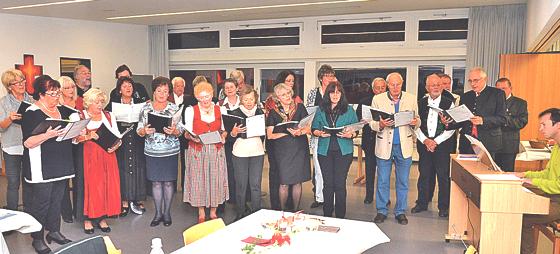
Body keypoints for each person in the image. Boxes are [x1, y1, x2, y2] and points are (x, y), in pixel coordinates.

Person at [22, 75, 75, 253]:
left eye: (57, 93)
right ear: (40, 94)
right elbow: (28, 143)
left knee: (57, 200)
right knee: (42, 203)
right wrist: (47, 135)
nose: (56, 97)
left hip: (61, 163)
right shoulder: (32, 113)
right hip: (41, 166)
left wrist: (76, 131)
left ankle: (54, 231)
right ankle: (37, 238)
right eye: (52, 94)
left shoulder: (64, 110)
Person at [370, 72, 420, 225]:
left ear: (402, 83)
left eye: (398, 84)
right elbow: (370, 122)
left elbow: (418, 121)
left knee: (403, 181)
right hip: (384, 144)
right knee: (383, 180)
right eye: (392, 84)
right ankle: (381, 210)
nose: (395, 87)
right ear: (387, 85)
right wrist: (381, 124)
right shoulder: (377, 99)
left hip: (404, 146)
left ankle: (400, 211)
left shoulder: (411, 98)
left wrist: (414, 122)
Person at [137, 77, 184, 227]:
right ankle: (158, 213)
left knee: (169, 183)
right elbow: (139, 129)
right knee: (156, 183)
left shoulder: (174, 108)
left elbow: (181, 130)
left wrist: (175, 130)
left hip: (170, 151)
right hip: (152, 151)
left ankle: (167, 212)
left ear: (169, 92)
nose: (162, 94)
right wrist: (144, 130)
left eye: (165, 91)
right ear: (154, 91)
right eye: (159, 91)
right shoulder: (145, 108)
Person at [74, 88, 122, 234]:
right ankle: (87, 219)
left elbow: (118, 136)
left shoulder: (109, 116)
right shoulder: (78, 116)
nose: (100, 104)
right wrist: (89, 136)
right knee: (90, 187)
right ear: (88, 103)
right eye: (96, 102)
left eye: (102, 101)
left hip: (107, 154)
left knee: (105, 186)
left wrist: (116, 146)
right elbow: (74, 139)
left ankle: (102, 217)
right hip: (88, 156)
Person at [182, 81, 229, 223]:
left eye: (207, 96)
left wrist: (223, 136)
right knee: (198, 180)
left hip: (215, 150)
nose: (205, 100)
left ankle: (214, 211)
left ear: (212, 95)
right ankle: (201, 212)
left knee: (216, 179)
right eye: (201, 97)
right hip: (198, 150)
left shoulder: (220, 109)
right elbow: (186, 133)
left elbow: (224, 130)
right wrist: (192, 137)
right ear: (197, 97)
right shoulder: (191, 110)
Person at [311, 82, 358, 218]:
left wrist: (351, 134)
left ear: (342, 94)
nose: (335, 95)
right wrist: (319, 133)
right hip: (324, 151)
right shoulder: (321, 109)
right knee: (328, 183)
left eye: (338, 92)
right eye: (332, 92)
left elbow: (356, 129)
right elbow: (314, 128)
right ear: (328, 94)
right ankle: (327, 213)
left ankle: (340, 215)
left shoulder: (349, 110)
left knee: (339, 183)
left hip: (344, 151)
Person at [517, 108, 560, 254]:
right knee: (517, 190)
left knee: (524, 218)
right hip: (551, 194)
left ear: (558, 125)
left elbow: (558, 186)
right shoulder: (556, 146)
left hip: (558, 200)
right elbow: (548, 173)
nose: (540, 129)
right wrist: (525, 175)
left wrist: (533, 182)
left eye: (544, 125)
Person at [411, 74, 455, 217]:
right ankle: (421, 203)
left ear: (442, 86)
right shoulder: (420, 103)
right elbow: (415, 125)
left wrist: (435, 141)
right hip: (424, 144)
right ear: (427, 88)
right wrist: (425, 140)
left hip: (442, 145)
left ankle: (443, 207)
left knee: (443, 176)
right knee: (424, 174)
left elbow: (452, 127)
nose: (435, 87)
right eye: (432, 85)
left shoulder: (450, 103)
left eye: (438, 85)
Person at [107, 76, 148, 216]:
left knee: (138, 166)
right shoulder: (113, 104)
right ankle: (124, 201)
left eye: (130, 85)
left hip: (137, 137)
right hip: (122, 138)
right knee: (123, 167)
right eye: (124, 86)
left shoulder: (140, 103)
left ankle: (137, 198)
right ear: (119, 90)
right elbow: (107, 120)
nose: (128, 88)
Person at [444, 67, 506, 159]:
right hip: (466, 142)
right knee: (466, 171)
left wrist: (483, 120)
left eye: (476, 80)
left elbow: (503, 119)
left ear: (485, 79)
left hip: (488, 142)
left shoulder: (497, 94)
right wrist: (447, 122)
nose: (472, 84)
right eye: (470, 81)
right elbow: (461, 121)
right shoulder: (466, 96)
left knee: (484, 172)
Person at [266, 83, 311, 211]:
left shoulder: (300, 107)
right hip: (283, 151)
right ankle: (282, 211)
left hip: (299, 148)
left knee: (297, 181)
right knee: (284, 182)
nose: (287, 96)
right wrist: (285, 132)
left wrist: (300, 132)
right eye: (283, 95)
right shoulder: (273, 113)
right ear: (277, 98)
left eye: (288, 93)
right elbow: (270, 135)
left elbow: (309, 127)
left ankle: (296, 210)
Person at [229, 88, 265, 220]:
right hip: (240, 152)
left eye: (251, 99)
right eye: (246, 99)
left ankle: (256, 212)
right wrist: (234, 132)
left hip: (257, 151)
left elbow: (263, 135)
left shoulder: (260, 112)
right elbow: (230, 137)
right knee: (241, 184)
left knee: (255, 184)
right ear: (241, 100)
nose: (249, 102)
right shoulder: (234, 113)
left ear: (255, 99)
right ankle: (240, 212)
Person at [0, 69, 34, 212]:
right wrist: (10, 119)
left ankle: (28, 213)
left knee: (28, 182)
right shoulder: (3, 102)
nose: (21, 84)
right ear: (9, 86)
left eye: (23, 81)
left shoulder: (32, 100)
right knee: (13, 183)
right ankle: (12, 215)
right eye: (17, 82)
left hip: (29, 145)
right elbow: (1, 127)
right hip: (11, 146)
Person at [306, 64, 337, 208]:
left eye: (332, 76)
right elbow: (309, 112)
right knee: (318, 167)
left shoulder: (336, 91)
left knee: (333, 168)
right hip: (318, 134)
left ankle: (332, 197)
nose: (330, 78)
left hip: (334, 134)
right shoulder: (314, 92)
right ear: (321, 78)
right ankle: (319, 197)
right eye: (327, 76)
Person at [356, 77, 386, 204]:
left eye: (382, 87)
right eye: (377, 88)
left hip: (385, 141)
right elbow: (357, 120)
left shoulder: (390, 102)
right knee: (370, 169)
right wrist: (362, 122)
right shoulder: (364, 102)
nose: (380, 90)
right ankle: (369, 195)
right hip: (370, 140)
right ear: (373, 89)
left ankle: (383, 197)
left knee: (384, 172)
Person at [57, 76, 80, 224]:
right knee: (64, 181)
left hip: (78, 143)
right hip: (63, 145)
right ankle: (66, 211)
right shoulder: (57, 106)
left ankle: (78, 210)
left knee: (79, 178)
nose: (71, 90)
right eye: (66, 88)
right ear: (60, 90)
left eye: (72, 87)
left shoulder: (80, 102)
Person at [494, 77, 528, 172]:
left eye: (503, 88)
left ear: (510, 88)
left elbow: (521, 122)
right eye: (498, 89)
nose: (500, 91)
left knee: (507, 174)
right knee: (491, 174)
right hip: (492, 144)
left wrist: (503, 120)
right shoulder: (492, 102)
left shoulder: (520, 103)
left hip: (508, 145)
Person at [219, 78, 241, 206]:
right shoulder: (220, 104)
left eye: (231, 87)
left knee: (242, 169)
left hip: (242, 139)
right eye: (226, 88)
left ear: (237, 88)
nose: (229, 90)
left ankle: (243, 196)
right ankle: (231, 196)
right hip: (227, 140)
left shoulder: (244, 101)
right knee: (230, 168)